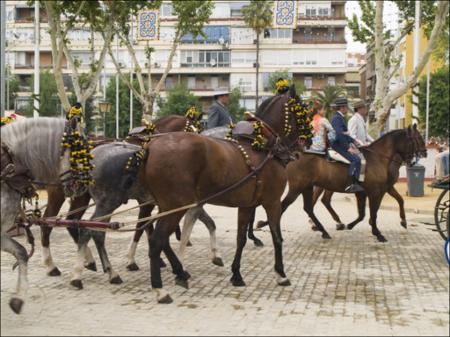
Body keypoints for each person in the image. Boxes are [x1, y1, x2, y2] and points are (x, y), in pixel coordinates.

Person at [330, 97, 364, 193]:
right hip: (338, 145)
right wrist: (348, 148)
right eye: (346, 107)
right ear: (342, 108)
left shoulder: (340, 117)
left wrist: (354, 141)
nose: (347, 109)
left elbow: (346, 134)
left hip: (341, 143)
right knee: (356, 160)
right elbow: (340, 135)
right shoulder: (337, 118)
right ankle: (350, 185)